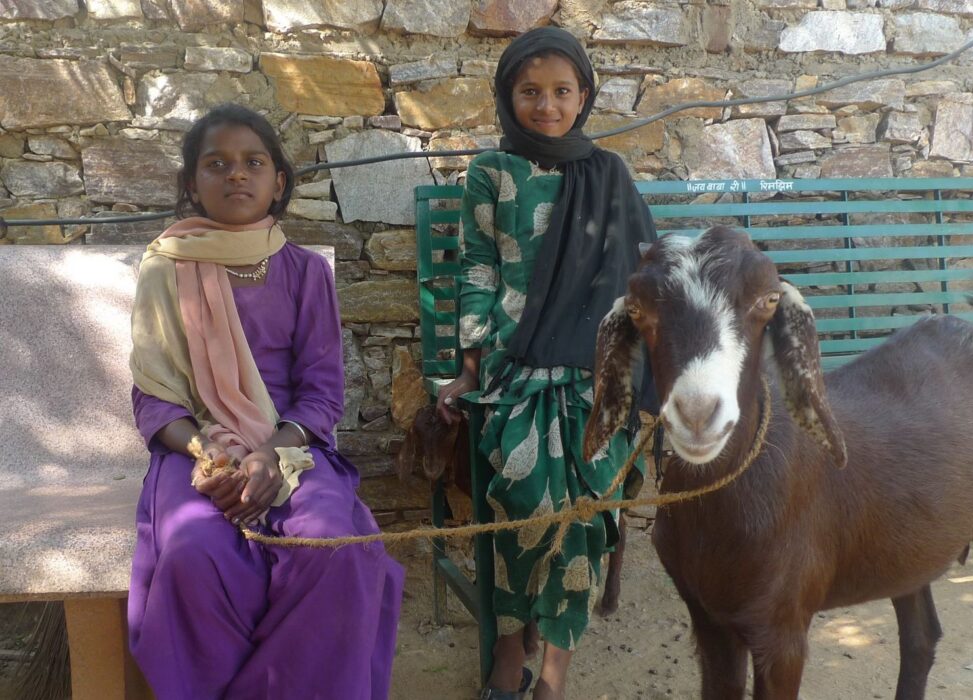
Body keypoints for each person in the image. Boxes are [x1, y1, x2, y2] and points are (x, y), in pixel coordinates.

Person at [127, 103, 403, 700]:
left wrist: (273, 454)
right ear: (190, 184)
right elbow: (152, 397)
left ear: (279, 182)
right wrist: (210, 451)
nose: (236, 175)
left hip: (292, 446)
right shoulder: (164, 270)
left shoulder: (304, 272)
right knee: (192, 554)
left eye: (254, 162)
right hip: (198, 453)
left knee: (333, 545)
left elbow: (323, 391)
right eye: (216, 164)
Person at [437, 27, 657, 700]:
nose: (547, 105)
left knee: (589, 503)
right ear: (508, 97)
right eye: (529, 92)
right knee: (520, 497)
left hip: (595, 370)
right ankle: (509, 645)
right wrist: (470, 366)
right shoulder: (490, 173)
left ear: (584, 96)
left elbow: (639, 279)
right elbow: (477, 269)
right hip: (514, 367)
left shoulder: (608, 174)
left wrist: (631, 376)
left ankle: (554, 669)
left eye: (562, 91)